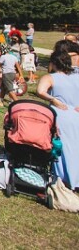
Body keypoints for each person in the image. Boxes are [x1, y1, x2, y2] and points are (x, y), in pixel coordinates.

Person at [36, 49, 79, 189]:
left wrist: (53, 99)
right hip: (76, 115)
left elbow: (40, 91)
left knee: (62, 149)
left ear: (54, 63)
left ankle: (62, 178)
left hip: (61, 116)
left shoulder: (50, 77)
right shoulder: (76, 77)